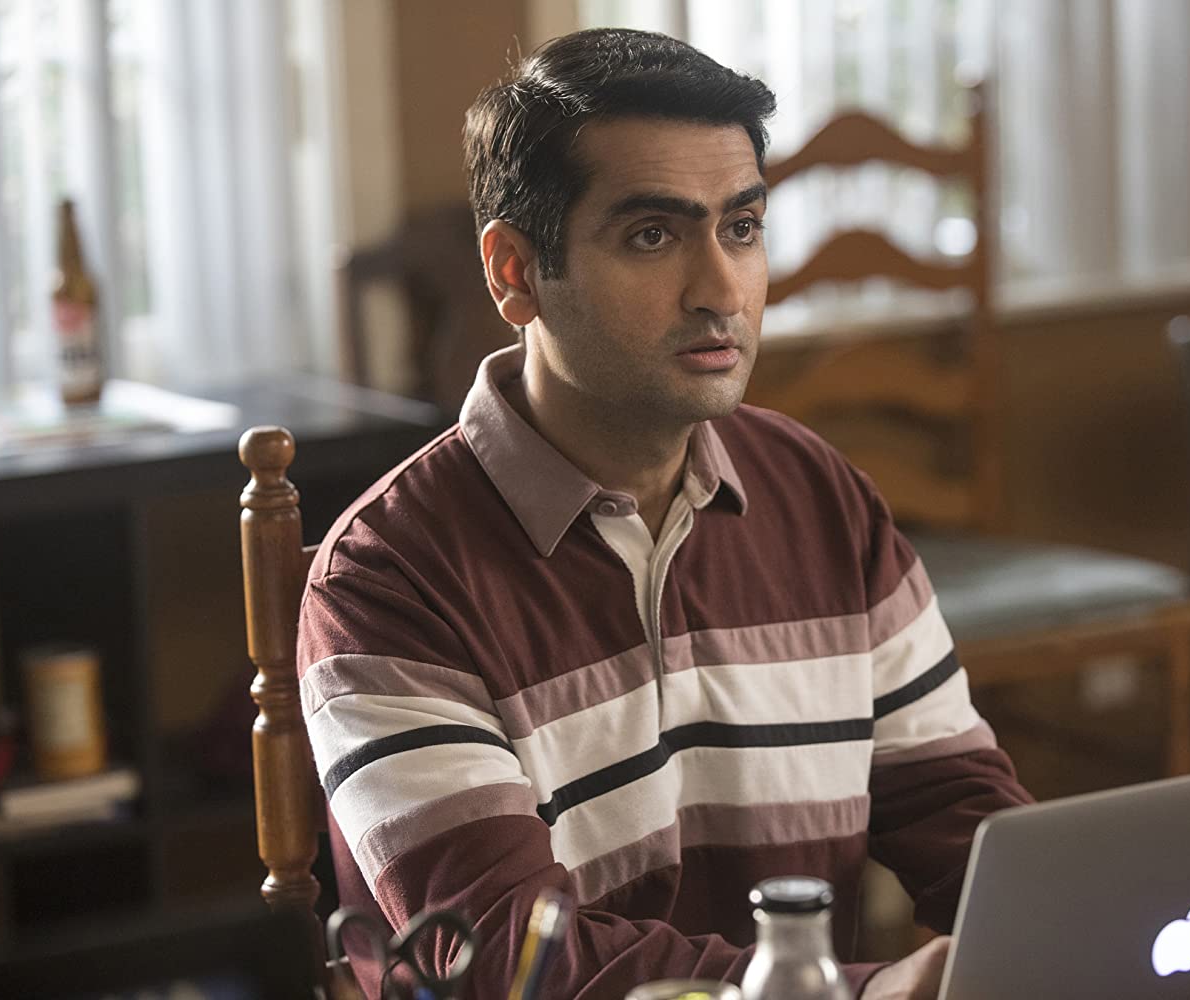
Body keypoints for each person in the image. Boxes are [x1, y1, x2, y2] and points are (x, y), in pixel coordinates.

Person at [297, 27, 1032, 1000]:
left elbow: (960, 811)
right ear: (514, 272)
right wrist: (860, 992)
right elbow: (512, 963)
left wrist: (1065, 927)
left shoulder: (820, 495)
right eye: (653, 235)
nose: (721, 290)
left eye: (742, 227)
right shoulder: (385, 581)